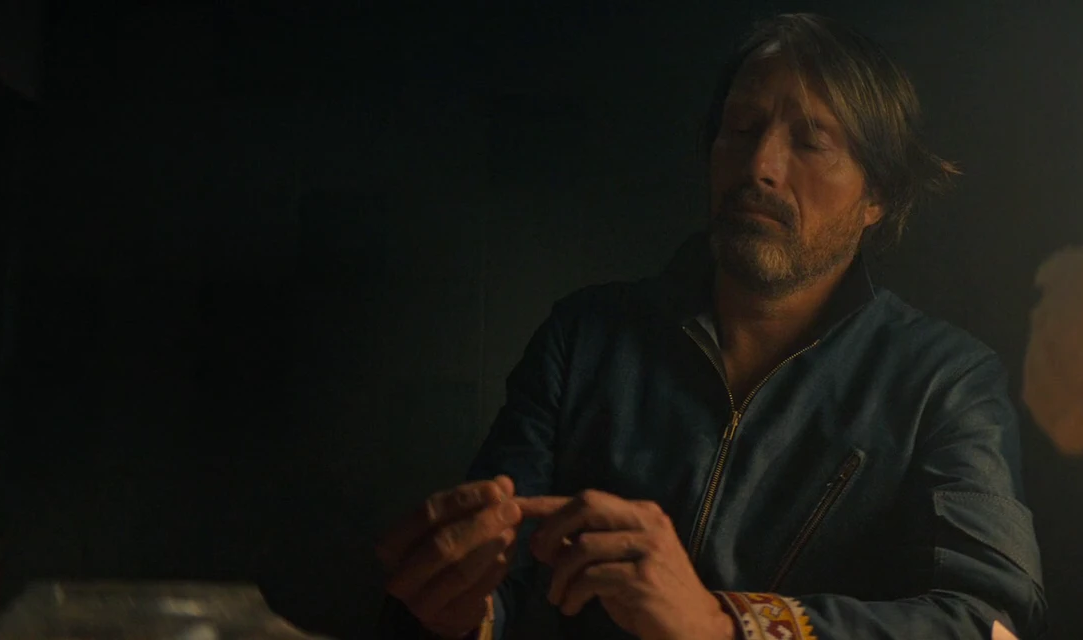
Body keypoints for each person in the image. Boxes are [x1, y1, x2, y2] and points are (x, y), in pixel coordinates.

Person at [377, 13, 1045, 640]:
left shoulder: (944, 382)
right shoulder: (585, 337)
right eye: (741, 128)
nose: (760, 167)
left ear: (879, 196)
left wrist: (724, 624)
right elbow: (501, 584)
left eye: (810, 142)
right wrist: (462, 605)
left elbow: (987, 622)